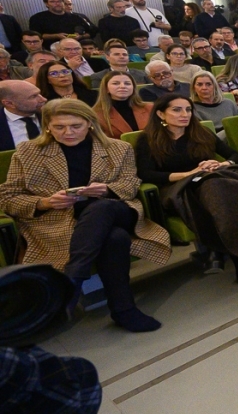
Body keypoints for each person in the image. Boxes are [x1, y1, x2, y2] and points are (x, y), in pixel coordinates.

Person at [0, 98, 171, 331]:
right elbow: (8, 197)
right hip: (59, 220)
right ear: (47, 126)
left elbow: (131, 184)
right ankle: (124, 309)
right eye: (59, 127)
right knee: (114, 239)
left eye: (75, 126)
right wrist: (45, 201)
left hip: (116, 209)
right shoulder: (29, 152)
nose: (67, 132)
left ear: (90, 124)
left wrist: (107, 189)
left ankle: (71, 282)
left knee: (102, 207)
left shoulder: (117, 148)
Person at [135, 95, 238, 285]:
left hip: (208, 184)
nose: (185, 114)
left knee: (212, 188)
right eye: (177, 110)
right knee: (215, 192)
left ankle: (217, 251)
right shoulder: (147, 139)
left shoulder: (200, 132)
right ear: (160, 113)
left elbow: (235, 155)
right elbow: (146, 174)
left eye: (188, 110)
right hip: (175, 190)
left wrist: (221, 164)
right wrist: (187, 174)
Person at [93, 71, 152, 138]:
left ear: (133, 88)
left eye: (127, 83)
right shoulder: (96, 114)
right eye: (116, 83)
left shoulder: (149, 108)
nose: (123, 86)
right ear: (106, 89)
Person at [0, 80, 47, 151]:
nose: (43, 99)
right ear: (9, 103)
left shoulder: (52, 115)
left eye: (39, 94)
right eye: (33, 96)